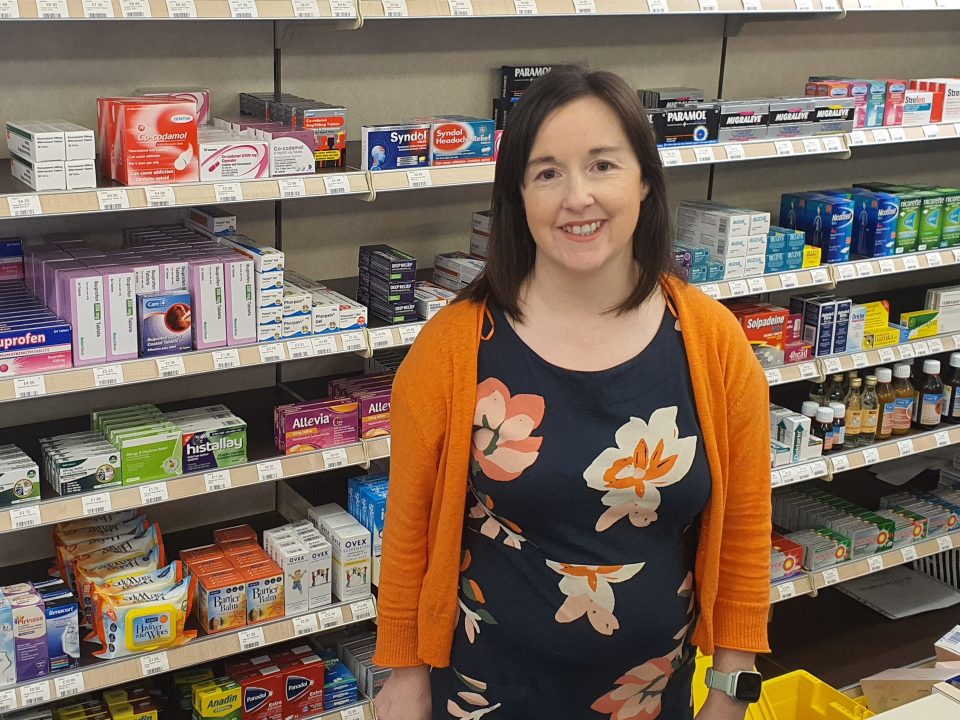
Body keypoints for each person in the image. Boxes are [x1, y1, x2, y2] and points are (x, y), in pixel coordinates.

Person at [373, 65, 772, 720]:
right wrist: (403, 674)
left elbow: (746, 527)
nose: (576, 197)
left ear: (645, 181)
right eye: (547, 173)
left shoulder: (713, 343)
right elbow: (409, 526)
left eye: (602, 166)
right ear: (517, 196)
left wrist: (732, 688)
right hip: (484, 696)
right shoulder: (453, 346)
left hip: (651, 699)